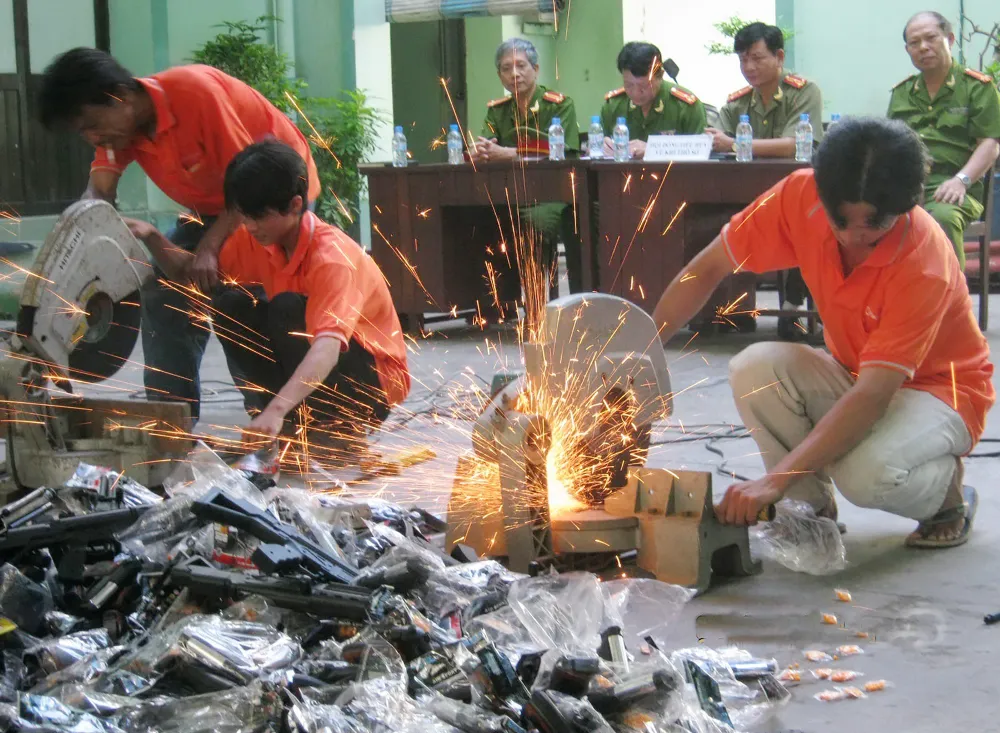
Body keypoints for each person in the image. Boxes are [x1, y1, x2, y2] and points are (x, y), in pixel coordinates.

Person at [652, 117, 994, 549]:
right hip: (857, 372)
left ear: (912, 201)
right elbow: (707, 268)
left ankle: (946, 496)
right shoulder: (798, 194)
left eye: (873, 226)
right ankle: (807, 509)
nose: (853, 237)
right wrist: (644, 354)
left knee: (864, 475)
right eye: (841, 220)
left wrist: (773, 480)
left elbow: (872, 396)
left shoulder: (923, 262)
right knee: (754, 368)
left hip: (941, 391)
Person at [38, 48, 320, 422]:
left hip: (274, 201)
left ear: (119, 96)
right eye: (83, 132)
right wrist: (77, 240)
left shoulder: (196, 93)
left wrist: (210, 247)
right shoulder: (120, 133)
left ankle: (272, 418)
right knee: (164, 291)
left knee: (239, 296)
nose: (93, 137)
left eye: (92, 125)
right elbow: (97, 195)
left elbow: (254, 186)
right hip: (214, 209)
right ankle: (171, 419)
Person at [125, 141, 410, 457]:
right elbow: (190, 275)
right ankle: (294, 425)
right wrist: (151, 236)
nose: (249, 227)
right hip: (320, 364)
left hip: (373, 383)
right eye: (244, 216)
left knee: (286, 307)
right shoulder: (257, 239)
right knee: (230, 305)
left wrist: (273, 410)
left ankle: (340, 427)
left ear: (294, 204)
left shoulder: (333, 259)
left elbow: (327, 349)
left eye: (258, 216)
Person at [708, 22, 825, 340]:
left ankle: (794, 306)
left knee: (805, 220)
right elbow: (714, 137)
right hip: (747, 194)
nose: (749, 67)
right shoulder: (738, 101)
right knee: (713, 216)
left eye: (757, 58)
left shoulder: (804, 92)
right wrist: (715, 138)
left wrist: (732, 142)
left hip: (799, 193)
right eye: (743, 60)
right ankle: (733, 309)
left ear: (779, 56)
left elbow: (792, 144)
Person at [470, 38, 585, 295]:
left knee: (532, 222)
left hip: (552, 195)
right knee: (475, 220)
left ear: (536, 69)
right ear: (499, 74)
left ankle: (538, 306)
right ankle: (497, 304)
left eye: (521, 66)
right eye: (506, 68)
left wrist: (511, 154)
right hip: (509, 193)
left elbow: (562, 150)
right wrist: (480, 152)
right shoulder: (497, 110)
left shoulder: (559, 104)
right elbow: (486, 143)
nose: (514, 74)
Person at [887, 11, 1000, 269]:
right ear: (908, 50)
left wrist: (961, 180)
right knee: (861, 217)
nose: (923, 47)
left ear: (949, 39)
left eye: (931, 38)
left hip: (956, 186)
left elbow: (991, 144)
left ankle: (951, 305)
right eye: (915, 43)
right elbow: (890, 145)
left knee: (943, 216)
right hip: (908, 187)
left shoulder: (977, 87)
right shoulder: (902, 93)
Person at [600, 42, 707, 160]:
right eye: (629, 85)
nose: (635, 92)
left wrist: (654, 150)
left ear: (660, 76)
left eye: (644, 86)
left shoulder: (685, 106)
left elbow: (702, 150)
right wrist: (601, 146)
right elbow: (593, 148)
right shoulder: (613, 105)